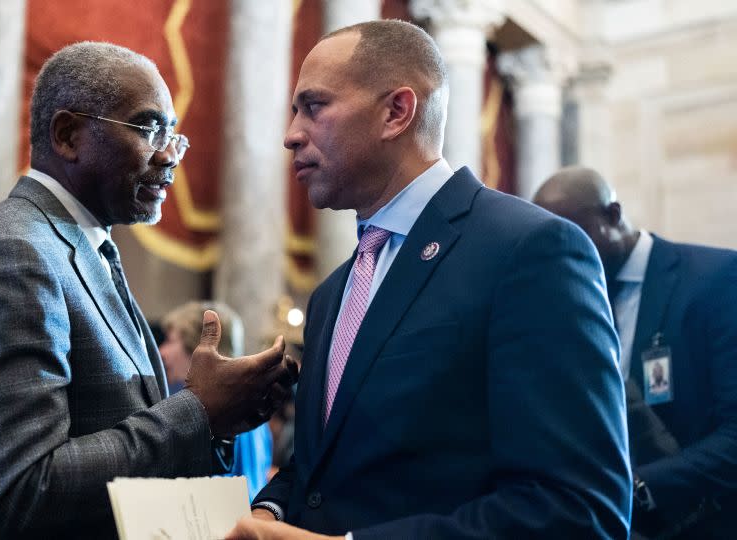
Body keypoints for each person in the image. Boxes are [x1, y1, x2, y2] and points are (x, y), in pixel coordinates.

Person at [230, 20, 631, 539]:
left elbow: (579, 510)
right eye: (293, 111)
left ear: (396, 112)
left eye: (314, 106)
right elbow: (317, 474)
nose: (291, 135)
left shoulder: (530, 250)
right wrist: (270, 515)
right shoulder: (333, 293)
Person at [0, 42, 296, 539]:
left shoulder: (84, 246)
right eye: (149, 129)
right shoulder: (11, 255)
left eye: (173, 135)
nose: (168, 155)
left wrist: (215, 422)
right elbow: (20, 493)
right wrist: (196, 411)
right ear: (68, 135)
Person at [534, 166, 737, 539]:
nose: (561, 255)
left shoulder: (718, 278)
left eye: (574, 235)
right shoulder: (567, 297)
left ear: (612, 215)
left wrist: (639, 489)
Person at [159, 301, 274, 500]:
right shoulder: (248, 406)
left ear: (199, 347)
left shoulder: (221, 410)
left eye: (170, 341)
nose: (162, 351)